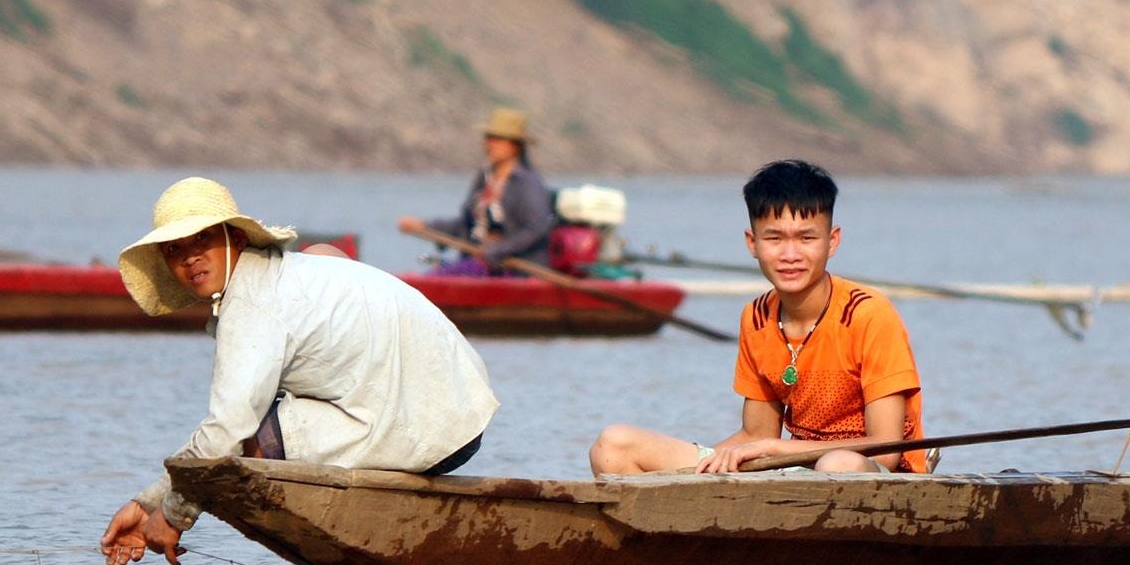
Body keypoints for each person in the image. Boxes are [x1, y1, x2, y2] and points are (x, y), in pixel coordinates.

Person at [101, 177, 499, 565]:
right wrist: (147, 502)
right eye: (175, 249)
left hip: (434, 426)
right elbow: (229, 423)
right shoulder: (289, 271)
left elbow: (227, 431)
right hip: (461, 406)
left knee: (250, 443)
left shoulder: (252, 308)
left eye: (202, 240)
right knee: (323, 255)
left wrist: (172, 515)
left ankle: (361, 549)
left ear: (235, 240)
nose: (190, 257)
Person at [589, 159, 929, 476]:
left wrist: (772, 448)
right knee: (614, 444)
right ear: (753, 243)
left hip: (876, 475)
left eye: (807, 238)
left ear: (832, 241)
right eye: (774, 238)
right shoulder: (756, 316)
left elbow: (886, 448)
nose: (790, 255)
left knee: (837, 464)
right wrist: (709, 466)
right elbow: (756, 433)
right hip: (791, 470)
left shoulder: (869, 314)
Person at [396, 107, 555, 273]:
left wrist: (497, 250)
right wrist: (424, 226)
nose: (489, 144)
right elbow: (465, 225)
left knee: (448, 275)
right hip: (476, 263)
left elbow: (536, 229)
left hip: (512, 269)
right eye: (488, 138)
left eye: (497, 139)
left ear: (515, 146)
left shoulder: (528, 183)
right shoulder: (484, 178)